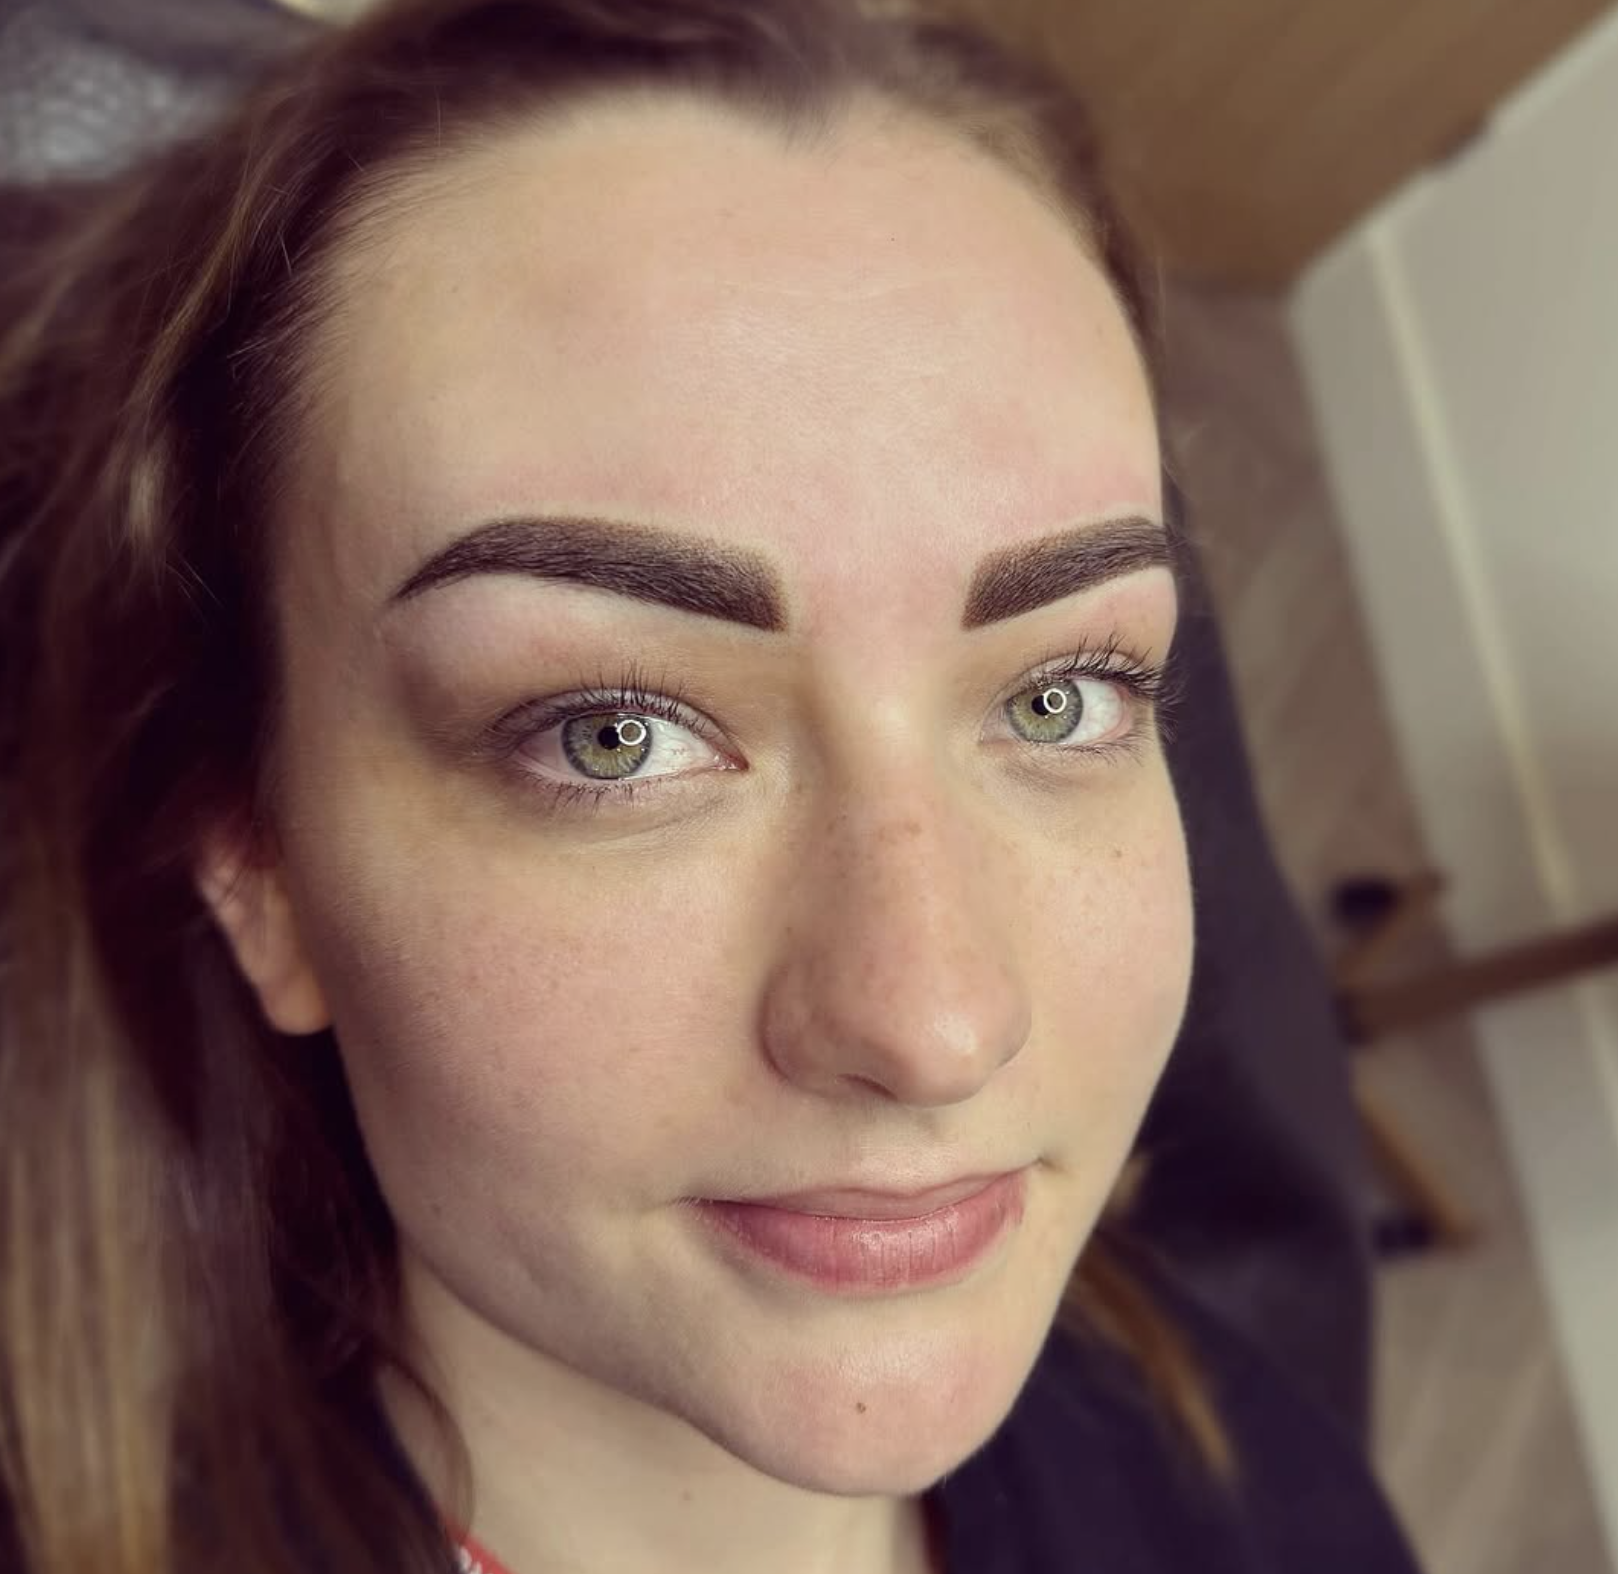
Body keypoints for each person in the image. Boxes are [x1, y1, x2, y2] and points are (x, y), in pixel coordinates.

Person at [0, 2, 1419, 1571]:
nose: (933, 1023)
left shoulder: (1259, 1502)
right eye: (613, 732)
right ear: (256, 864)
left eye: (1057, 693)